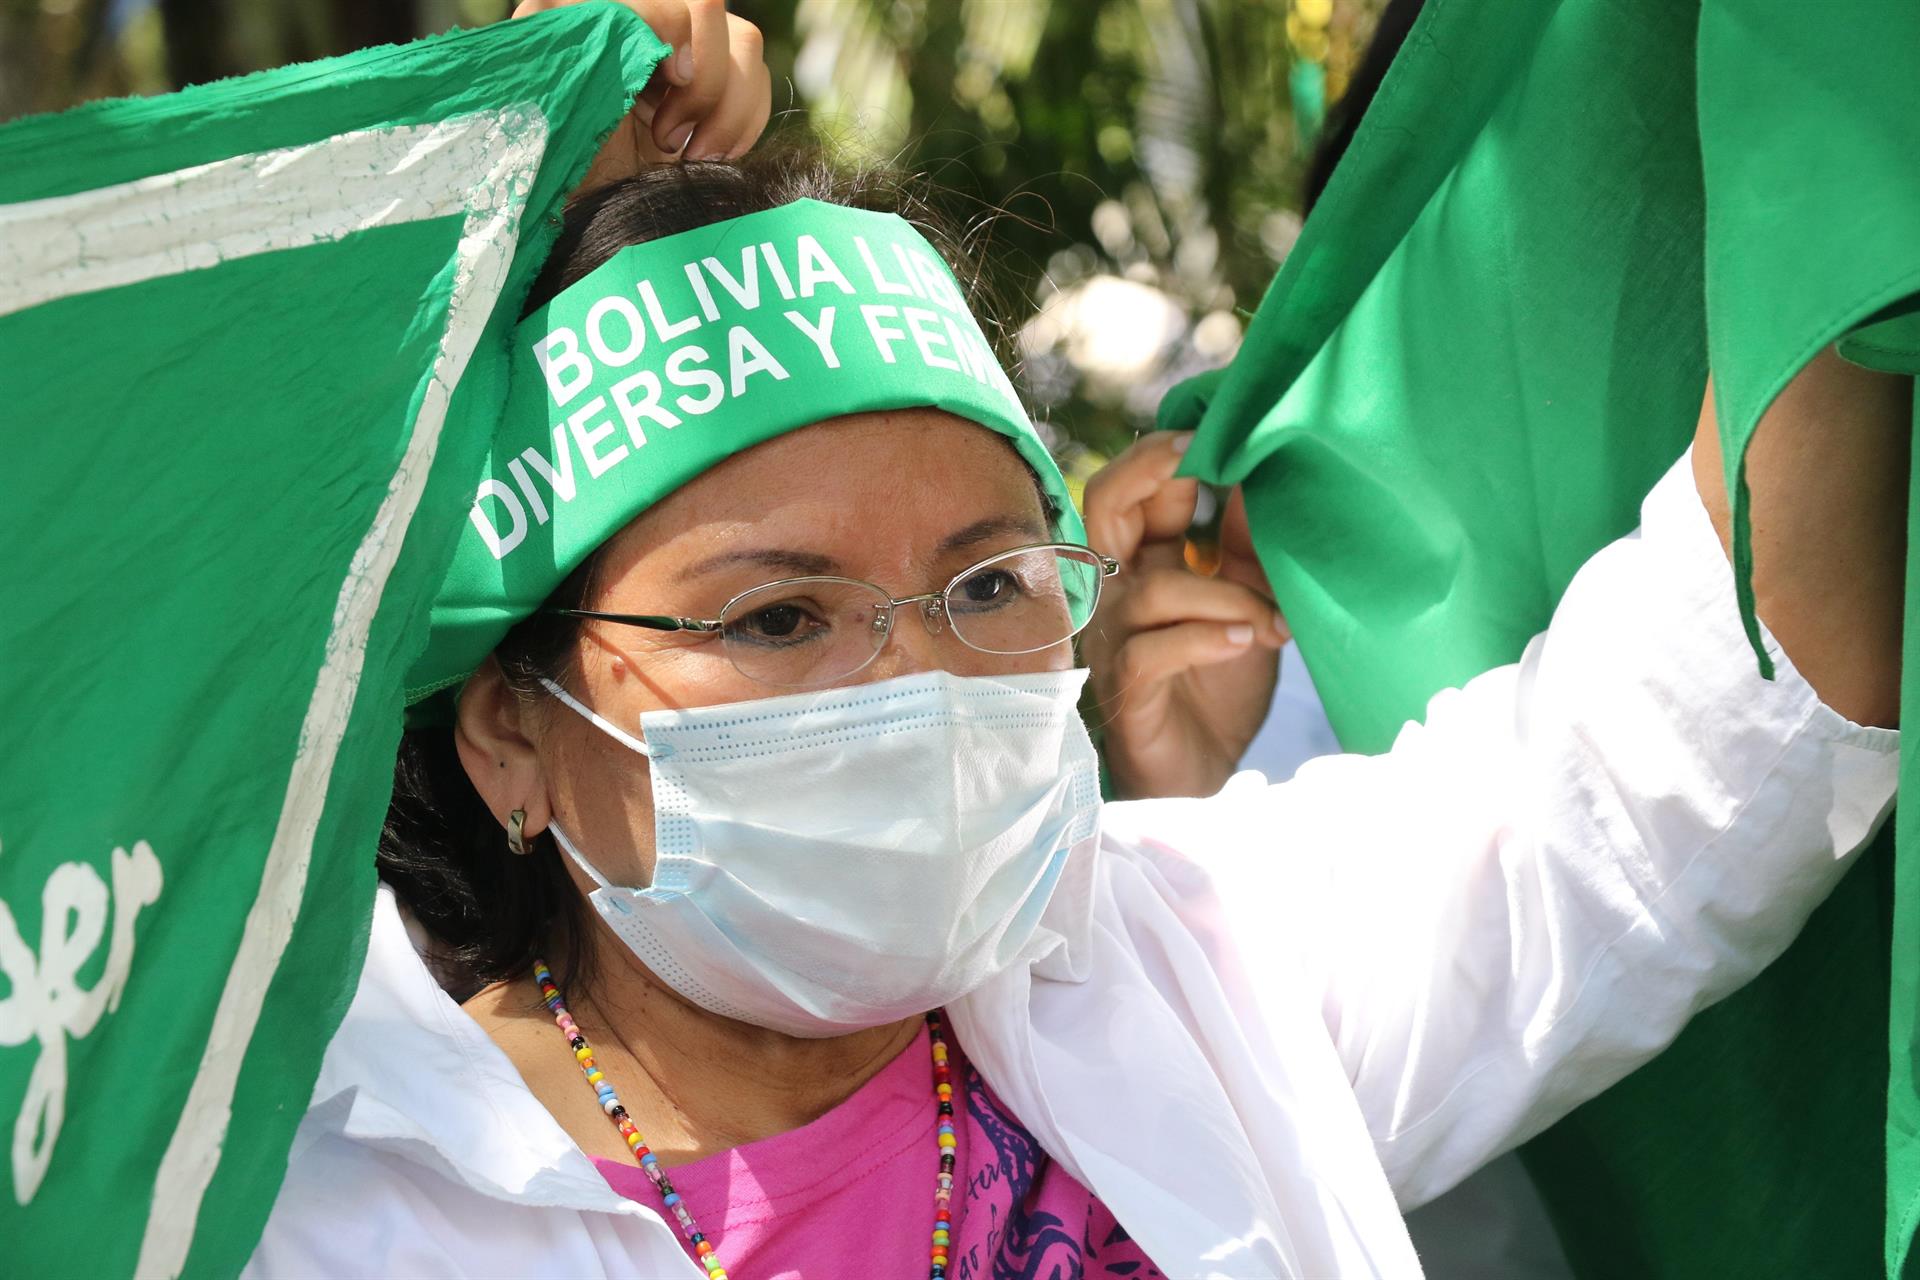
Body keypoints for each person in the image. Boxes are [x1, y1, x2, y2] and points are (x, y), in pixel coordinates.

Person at [241, 5, 1906, 1277]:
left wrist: (1831, 138)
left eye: (985, 587)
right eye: (776, 617)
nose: (917, 689)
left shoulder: (1187, 972)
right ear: (509, 727)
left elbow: (1683, 759)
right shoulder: (307, 1199)